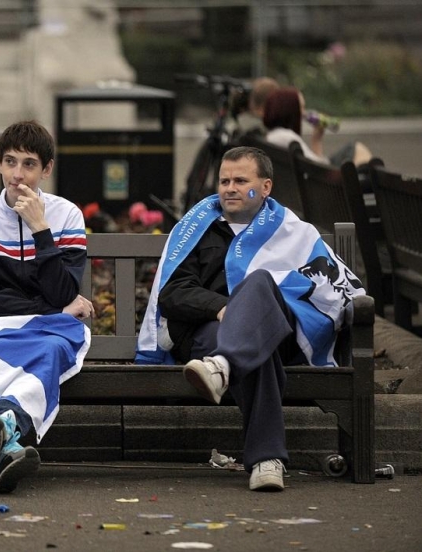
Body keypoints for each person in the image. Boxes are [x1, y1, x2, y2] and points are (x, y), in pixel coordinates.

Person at [135, 146, 364, 492]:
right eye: (224, 180)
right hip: (208, 332)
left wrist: (247, 311)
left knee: (260, 283)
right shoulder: (199, 229)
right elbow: (174, 292)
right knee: (259, 349)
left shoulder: (293, 231)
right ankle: (266, 460)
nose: (230, 188)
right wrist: (226, 309)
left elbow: (322, 286)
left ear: (266, 187)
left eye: (241, 181)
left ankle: (223, 365)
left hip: (280, 330)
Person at [0, 120, 92, 493]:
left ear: (46, 169)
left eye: (29, 164)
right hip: (3, 330)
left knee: (51, 346)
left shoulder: (66, 215)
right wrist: (53, 309)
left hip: (57, 331)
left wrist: (40, 230)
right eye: (10, 162)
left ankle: (6, 436)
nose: (18, 175)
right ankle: (9, 440)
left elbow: (64, 288)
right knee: (47, 349)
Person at [263, 86, 372, 166]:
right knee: (359, 153)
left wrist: (316, 140)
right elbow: (320, 168)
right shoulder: (287, 137)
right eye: (300, 108)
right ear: (290, 110)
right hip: (327, 186)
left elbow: (314, 164)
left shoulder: (274, 136)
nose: (303, 113)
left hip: (319, 183)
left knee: (353, 148)